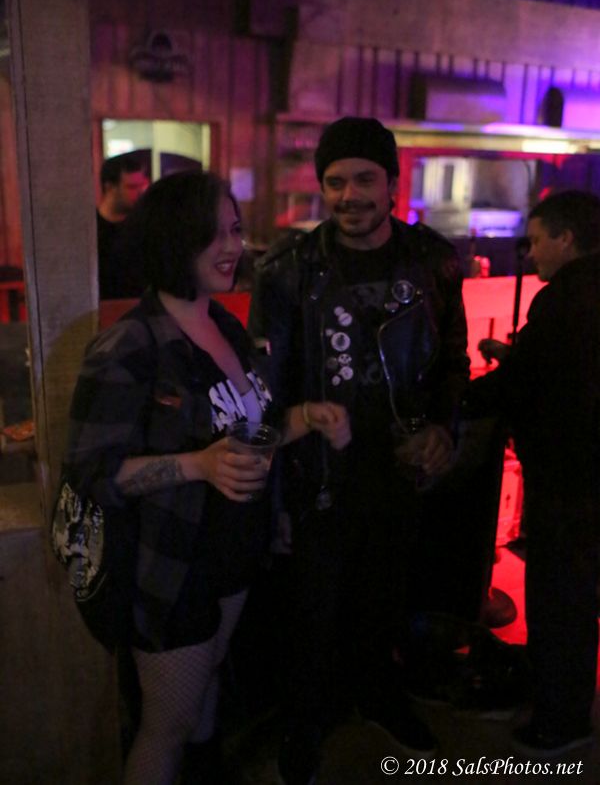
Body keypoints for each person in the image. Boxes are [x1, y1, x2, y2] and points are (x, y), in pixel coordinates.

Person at [64, 170, 350, 785]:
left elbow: (249, 433)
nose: (233, 247)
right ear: (173, 241)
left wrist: (305, 418)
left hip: (235, 554)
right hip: (173, 569)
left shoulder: (226, 325)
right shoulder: (128, 346)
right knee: (165, 726)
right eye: (212, 234)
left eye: (236, 230)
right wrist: (197, 464)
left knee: (205, 695)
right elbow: (91, 475)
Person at [249, 116, 470, 784]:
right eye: (335, 182)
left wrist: (444, 429)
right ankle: (305, 721)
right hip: (318, 472)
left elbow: (452, 363)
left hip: (400, 470)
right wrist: (274, 492)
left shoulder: (434, 260)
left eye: (364, 179)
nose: (349, 195)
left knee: (384, 598)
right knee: (311, 611)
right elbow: (265, 390)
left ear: (393, 183)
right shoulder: (287, 269)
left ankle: (379, 696)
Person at [469, 190, 600, 757]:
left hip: (567, 479)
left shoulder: (564, 297)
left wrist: (452, 404)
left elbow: (523, 384)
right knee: (576, 595)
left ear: (566, 239)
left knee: (559, 599)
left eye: (538, 239)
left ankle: (559, 721)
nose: (531, 252)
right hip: (587, 474)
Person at [97, 155, 147, 298]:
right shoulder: (90, 230)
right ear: (109, 187)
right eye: (132, 187)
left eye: (141, 185)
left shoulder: (144, 225)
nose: (140, 192)